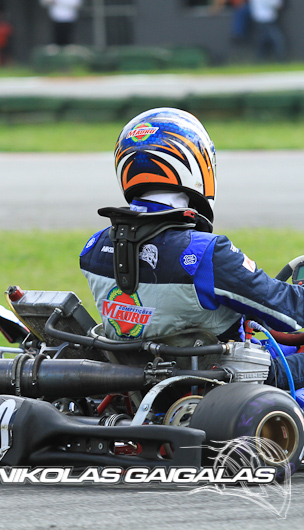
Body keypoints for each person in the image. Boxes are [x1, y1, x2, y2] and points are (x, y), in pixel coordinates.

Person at [79, 108, 304, 391]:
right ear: (195, 164)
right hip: (221, 384)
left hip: (137, 387)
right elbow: (288, 313)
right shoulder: (206, 253)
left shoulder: (94, 248)